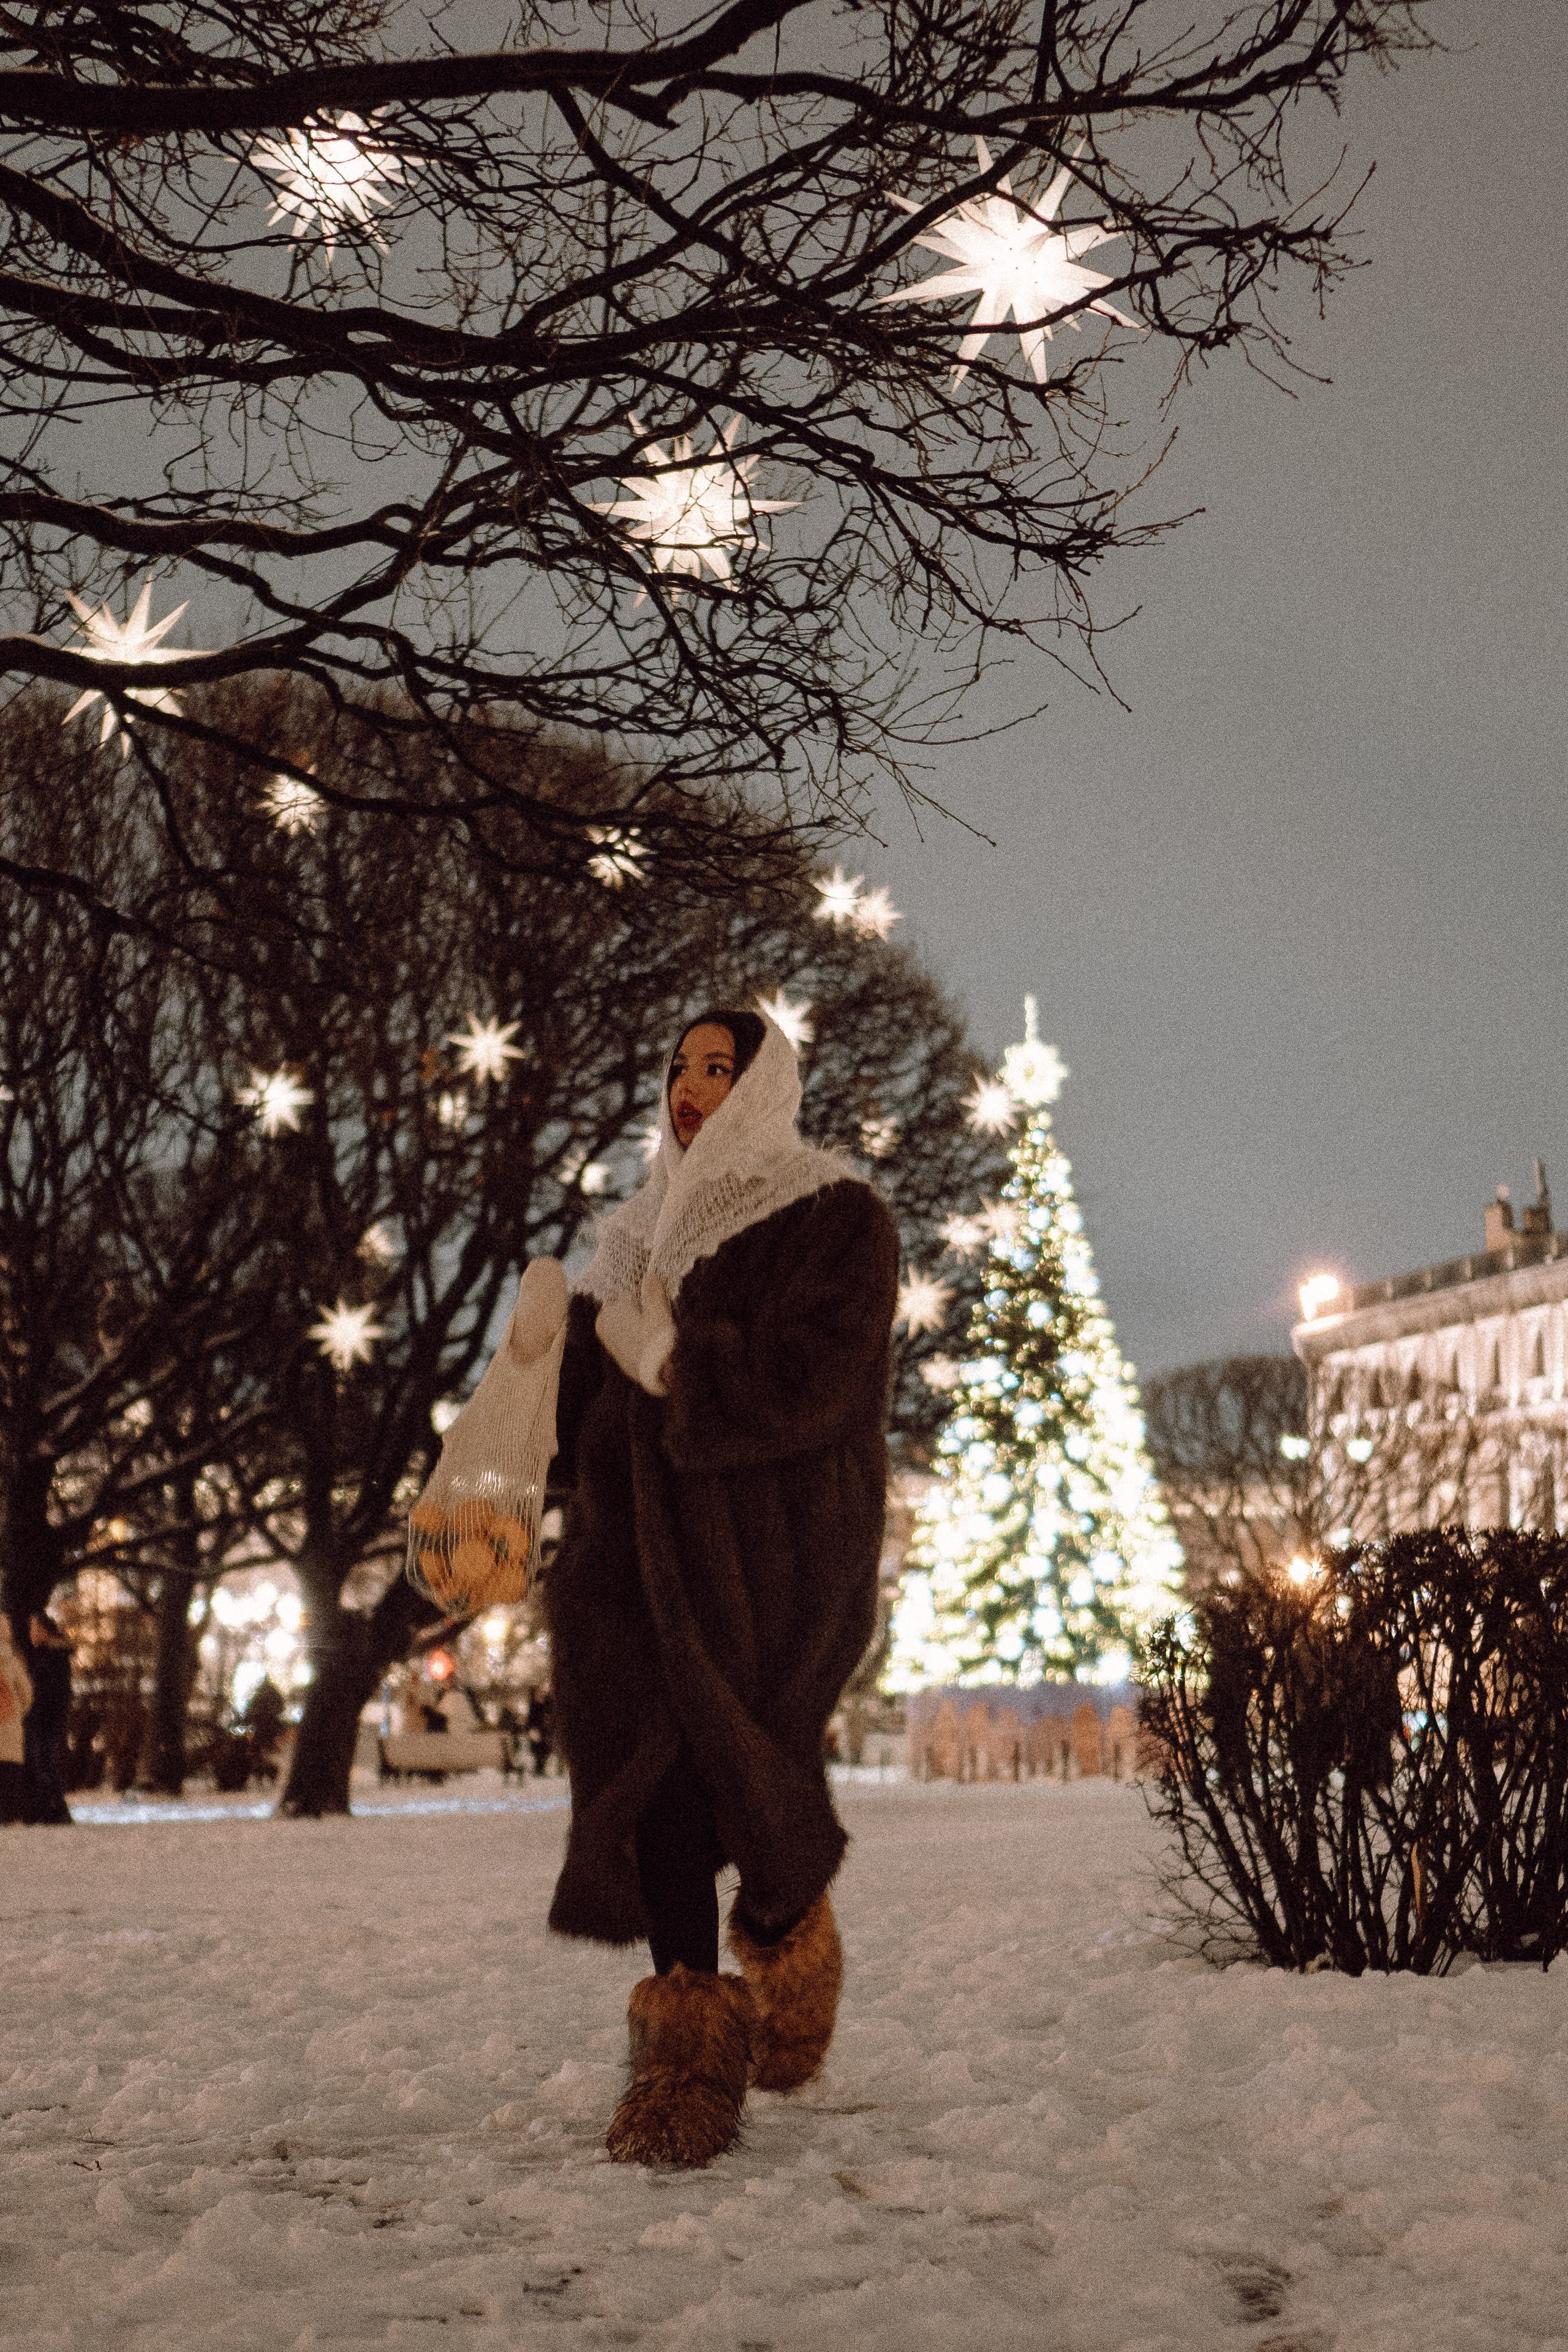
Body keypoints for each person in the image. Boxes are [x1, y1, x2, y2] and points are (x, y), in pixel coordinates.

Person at [534, 1006, 900, 2167]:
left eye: (717, 1067)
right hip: (628, 1577)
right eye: (678, 1067)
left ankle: (790, 1916)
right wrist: (541, 1366)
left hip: (768, 1567)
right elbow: (576, 1435)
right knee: (660, 1809)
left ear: (762, 1086)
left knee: (751, 1789)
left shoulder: (834, 1213)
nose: (690, 1087)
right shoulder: (629, 1241)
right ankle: (683, 2073)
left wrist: (673, 1363)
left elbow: (822, 1381)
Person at [23, 1611, 74, 1824]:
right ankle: (50, 1809)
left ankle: (53, 1809)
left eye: (34, 1629)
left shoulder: (48, 1657)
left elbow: (47, 1691)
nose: (31, 1634)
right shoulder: (54, 1656)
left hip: (43, 1718)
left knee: (43, 1763)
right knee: (43, 1762)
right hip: (46, 1718)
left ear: (44, 1631)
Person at [0, 1613, 34, 1825]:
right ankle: (12, 1817)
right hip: (10, 1724)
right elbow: (27, 1693)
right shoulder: (12, 1662)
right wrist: (18, 1713)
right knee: (11, 1774)